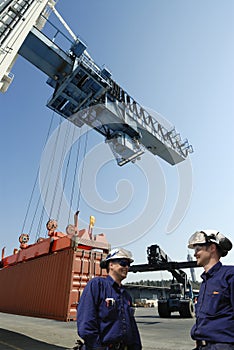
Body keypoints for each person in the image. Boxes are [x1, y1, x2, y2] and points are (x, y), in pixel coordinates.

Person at [77, 248, 142, 350]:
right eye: (123, 263)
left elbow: (132, 326)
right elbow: (86, 323)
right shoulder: (97, 285)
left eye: (128, 265)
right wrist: (98, 347)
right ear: (111, 265)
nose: (127, 267)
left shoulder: (126, 296)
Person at [188, 229, 234, 350]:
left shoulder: (229, 276)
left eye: (198, 249)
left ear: (212, 248)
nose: (195, 254)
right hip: (203, 345)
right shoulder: (205, 283)